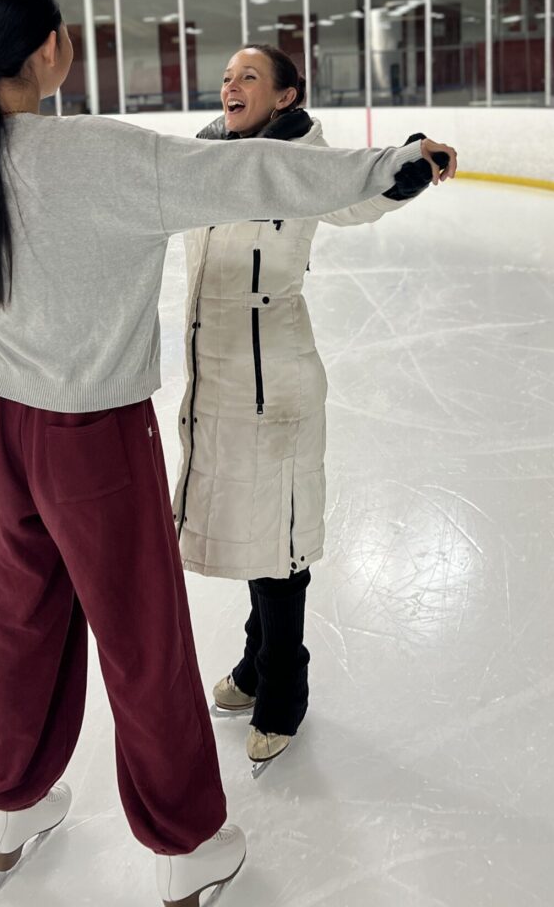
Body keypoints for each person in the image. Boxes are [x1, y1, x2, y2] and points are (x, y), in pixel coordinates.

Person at [0, 0, 457, 907]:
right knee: (144, 642)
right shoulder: (106, 156)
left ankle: (13, 808)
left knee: (16, 626)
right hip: (90, 437)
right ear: (51, 48)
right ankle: (186, 844)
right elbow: (253, 171)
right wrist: (387, 166)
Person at [171, 45, 456, 769]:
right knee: (244, 523)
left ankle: (282, 684)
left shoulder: (303, 161)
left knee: (278, 539)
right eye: (228, 74)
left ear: (286, 96)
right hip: (218, 375)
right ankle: (252, 656)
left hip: (273, 379)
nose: (230, 85)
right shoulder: (205, 163)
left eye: (250, 77)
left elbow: (358, 192)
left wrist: (410, 162)